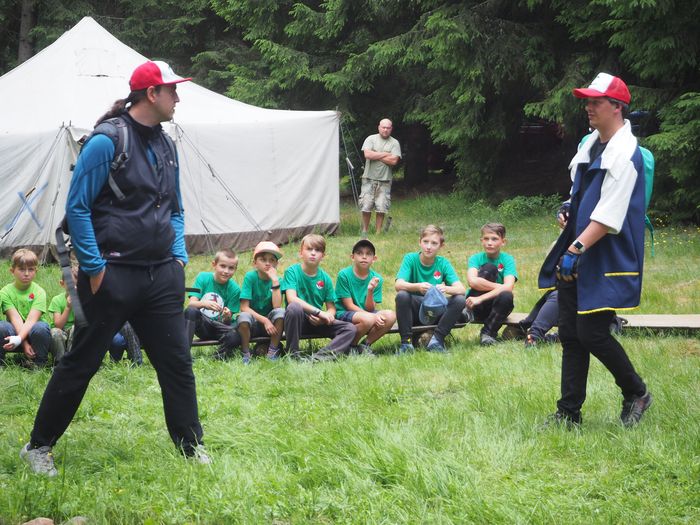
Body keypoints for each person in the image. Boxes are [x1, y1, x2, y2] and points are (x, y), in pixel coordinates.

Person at [21, 60, 209, 477]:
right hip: (112, 275)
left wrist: (178, 258)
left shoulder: (167, 145)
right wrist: (94, 267)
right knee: (82, 361)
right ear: (151, 94)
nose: (178, 97)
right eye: (172, 90)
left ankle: (190, 446)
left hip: (161, 275)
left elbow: (175, 208)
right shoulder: (107, 141)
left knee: (177, 362)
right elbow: (77, 207)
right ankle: (38, 446)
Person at [538, 72, 652, 428]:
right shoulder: (591, 144)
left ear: (617, 107)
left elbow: (609, 214)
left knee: (592, 332)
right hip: (579, 249)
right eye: (587, 101)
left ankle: (636, 392)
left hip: (603, 254)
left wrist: (575, 249)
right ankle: (569, 413)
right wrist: (568, 207)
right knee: (570, 334)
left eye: (596, 102)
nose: (588, 107)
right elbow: (584, 194)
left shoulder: (627, 153)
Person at [282, 234, 356, 361]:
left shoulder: (325, 278)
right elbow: (291, 298)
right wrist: (319, 312)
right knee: (294, 307)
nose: (313, 253)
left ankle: (318, 358)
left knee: (350, 329)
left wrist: (325, 317)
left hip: (317, 321)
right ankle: (293, 355)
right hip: (297, 320)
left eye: (317, 250)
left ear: (323, 256)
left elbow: (331, 308)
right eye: (309, 249)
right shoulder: (292, 271)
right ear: (301, 253)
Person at [395, 225, 466, 353]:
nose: (429, 247)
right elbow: (398, 285)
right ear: (420, 242)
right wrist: (417, 286)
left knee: (460, 300)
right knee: (402, 296)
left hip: (436, 310)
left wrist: (445, 288)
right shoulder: (410, 259)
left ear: (441, 246)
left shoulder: (443, 263)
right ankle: (406, 343)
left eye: (434, 243)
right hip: (416, 310)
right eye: (425, 242)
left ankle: (437, 340)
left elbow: (461, 289)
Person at [49, 270, 142, 365]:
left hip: (84, 331)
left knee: (121, 331)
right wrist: (68, 307)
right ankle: (59, 363)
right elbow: (58, 325)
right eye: (71, 285)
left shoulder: (88, 298)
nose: (74, 288)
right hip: (64, 331)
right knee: (57, 332)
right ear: (62, 284)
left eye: (78, 285)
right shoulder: (57, 300)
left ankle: (74, 360)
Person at [334, 239, 396, 355]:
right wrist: (372, 316)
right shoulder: (344, 275)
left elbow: (370, 308)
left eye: (368, 254)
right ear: (352, 257)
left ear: (374, 259)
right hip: (344, 313)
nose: (364, 257)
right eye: (359, 253)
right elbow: (348, 305)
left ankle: (365, 345)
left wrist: (370, 290)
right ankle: (351, 346)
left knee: (390, 316)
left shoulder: (377, 278)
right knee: (368, 319)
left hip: (365, 313)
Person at [464, 223, 517, 346]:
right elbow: (472, 282)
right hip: (474, 306)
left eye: (494, 239)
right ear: (481, 240)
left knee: (506, 296)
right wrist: (503, 287)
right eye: (486, 239)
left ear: (503, 242)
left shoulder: (508, 259)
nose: (489, 243)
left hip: (496, 307)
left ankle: (488, 334)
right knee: (490, 268)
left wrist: (481, 298)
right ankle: (467, 313)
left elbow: (509, 287)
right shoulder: (475, 258)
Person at [184, 249, 242, 360]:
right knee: (191, 311)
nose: (226, 271)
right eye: (222, 266)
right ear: (214, 265)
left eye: (231, 268)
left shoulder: (235, 289)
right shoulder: (202, 277)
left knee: (237, 334)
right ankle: (184, 354)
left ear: (235, 269)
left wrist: (227, 316)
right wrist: (204, 304)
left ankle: (215, 357)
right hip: (203, 325)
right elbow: (191, 304)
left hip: (220, 327)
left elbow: (227, 322)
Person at [0, 248, 51, 367]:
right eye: (22, 269)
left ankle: (39, 364)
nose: (27, 273)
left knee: (41, 328)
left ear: (36, 271)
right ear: (12, 271)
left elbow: (31, 320)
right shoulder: (5, 292)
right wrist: (23, 343)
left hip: (34, 332)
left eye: (31, 269)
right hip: (14, 333)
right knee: (2, 327)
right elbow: (15, 318)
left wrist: (20, 339)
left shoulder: (39, 292)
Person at [236, 241, 285, 363]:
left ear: (276, 264)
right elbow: (244, 307)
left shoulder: (278, 280)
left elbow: (277, 306)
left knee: (281, 312)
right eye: (263, 259)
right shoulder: (250, 277)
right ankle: (246, 353)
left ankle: (272, 351)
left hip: (271, 326)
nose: (268, 263)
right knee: (243, 316)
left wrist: (275, 281)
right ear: (255, 263)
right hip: (253, 322)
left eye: (272, 260)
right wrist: (265, 320)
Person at [359, 118, 402, 236]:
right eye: (383, 127)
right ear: (379, 127)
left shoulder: (394, 143)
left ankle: (378, 233)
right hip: (368, 178)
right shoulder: (370, 139)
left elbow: (394, 161)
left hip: (385, 180)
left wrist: (376, 154)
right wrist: (386, 154)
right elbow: (367, 154)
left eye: (388, 128)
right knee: (366, 206)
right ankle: (365, 231)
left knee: (381, 207)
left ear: (391, 129)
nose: (385, 130)